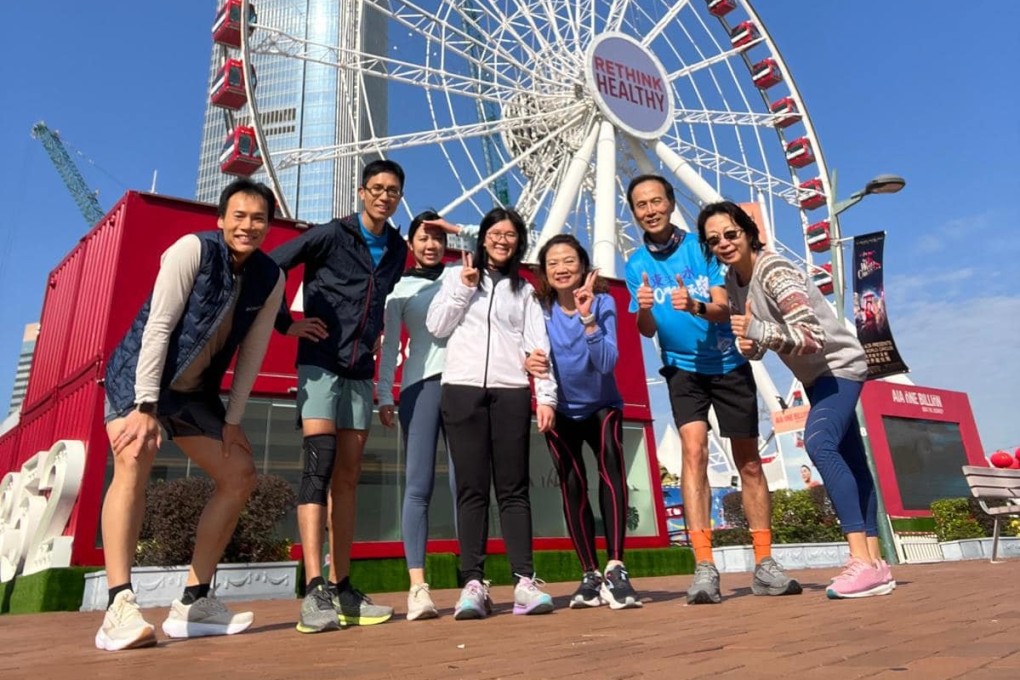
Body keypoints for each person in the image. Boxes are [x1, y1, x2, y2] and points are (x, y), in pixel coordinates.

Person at [97, 179, 285, 651]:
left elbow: (254, 350)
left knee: (239, 473)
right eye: (239, 216)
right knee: (134, 457)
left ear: (268, 226)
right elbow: (158, 325)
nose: (248, 225)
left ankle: (195, 601)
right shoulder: (191, 251)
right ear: (221, 219)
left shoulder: (271, 277)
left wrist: (234, 420)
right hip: (141, 376)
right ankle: (118, 606)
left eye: (258, 218)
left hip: (195, 392)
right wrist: (144, 406)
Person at [697, 200, 894, 599]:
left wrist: (757, 329)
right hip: (815, 377)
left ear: (749, 233)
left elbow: (810, 337)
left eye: (731, 234)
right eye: (714, 239)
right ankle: (876, 563)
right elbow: (759, 345)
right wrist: (749, 340)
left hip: (839, 366)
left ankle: (859, 559)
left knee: (820, 445)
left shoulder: (776, 271)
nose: (724, 243)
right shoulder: (734, 281)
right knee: (853, 462)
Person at [623, 175, 801, 604]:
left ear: (669, 204)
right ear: (633, 213)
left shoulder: (700, 247)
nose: (650, 210)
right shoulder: (634, 265)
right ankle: (704, 564)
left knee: (750, 463)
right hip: (682, 370)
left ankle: (764, 562)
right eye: (641, 205)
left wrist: (697, 306)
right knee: (693, 452)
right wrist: (645, 310)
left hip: (727, 363)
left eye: (656, 201)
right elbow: (645, 330)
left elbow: (723, 307)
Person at [270, 159, 408, 633]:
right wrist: (287, 324)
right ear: (361, 191)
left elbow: (383, 301)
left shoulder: (398, 249)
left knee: (348, 477)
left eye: (392, 190)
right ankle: (313, 590)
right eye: (377, 188)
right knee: (319, 463)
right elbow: (271, 266)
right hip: (319, 363)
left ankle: (343, 585)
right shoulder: (331, 234)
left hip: (359, 371)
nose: (384, 196)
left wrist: (374, 335)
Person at [425, 206, 557, 619]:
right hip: (462, 389)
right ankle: (473, 583)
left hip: (511, 391)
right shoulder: (456, 276)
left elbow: (539, 350)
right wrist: (463, 289)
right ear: (482, 238)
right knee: (472, 488)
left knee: (514, 487)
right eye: (496, 233)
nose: (503, 240)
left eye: (511, 235)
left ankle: (524, 581)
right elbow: (436, 326)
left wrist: (546, 396)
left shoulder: (526, 291)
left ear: (518, 244)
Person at [526, 234, 642, 610]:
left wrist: (588, 317)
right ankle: (589, 573)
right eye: (553, 263)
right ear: (544, 271)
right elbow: (525, 350)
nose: (561, 268)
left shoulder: (604, 302)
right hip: (560, 409)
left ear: (583, 265)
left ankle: (616, 567)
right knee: (571, 485)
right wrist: (526, 363)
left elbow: (607, 363)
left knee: (610, 473)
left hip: (603, 405)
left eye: (569, 261)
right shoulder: (538, 308)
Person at [376, 210, 465, 621]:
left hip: (464, 383)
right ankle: (417, 587)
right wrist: (384, 394)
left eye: (438, 238)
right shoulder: (399, 288)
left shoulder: (462, 273)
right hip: (418, 387)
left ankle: (473, 582)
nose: (432, 244)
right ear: (410, 244)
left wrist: (457, 229)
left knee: (466, 484)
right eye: (423, 237)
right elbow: (391, 343)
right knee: (419, 484)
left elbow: (504, 239)